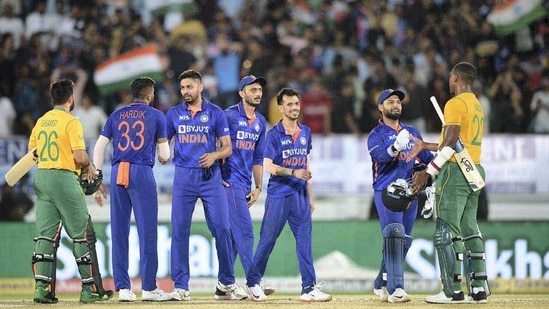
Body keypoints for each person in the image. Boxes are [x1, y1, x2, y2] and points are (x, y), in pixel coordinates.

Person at [166, 69, 247, 301]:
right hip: (183, 178)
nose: (185, 92)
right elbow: (163, 140)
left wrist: (214, 155)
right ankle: (181, 287)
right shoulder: (173, 114)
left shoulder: (215, 113)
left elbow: (227, 148)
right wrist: (162, 153)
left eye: (189, 87)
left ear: (200, 87)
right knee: (180, 231)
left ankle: (226, 283)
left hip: (211, 177)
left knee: (223, 228)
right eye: (182, 88)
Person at [244, 87, 332, 303]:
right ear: (281, 108)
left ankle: (308, 288)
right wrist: (293, 172)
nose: (294, 107)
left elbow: (306, 164)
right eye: (289, 104)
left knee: (305, 242)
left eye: (296, 103)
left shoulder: (306, 132)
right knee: (268, 240)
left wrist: (310, 195)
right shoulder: (273, 134)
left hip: (300, 195)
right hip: (279, 195)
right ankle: (253, 283)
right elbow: (267, 165)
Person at [411, 62, 488, 304]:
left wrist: (428, 171)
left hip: (455, 172)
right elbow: (457, 143)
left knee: (446, 230)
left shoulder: (454, 103)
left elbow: (452, 141)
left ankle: (451, 291)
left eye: (449, 78)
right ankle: (478, 289)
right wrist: (426, 146)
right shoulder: (476, 105)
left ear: (454, 78)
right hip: (474, 170)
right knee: (469, 228)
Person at [28, 78, 111, 303]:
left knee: (45, 235)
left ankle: (42, 289)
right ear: (71, 98)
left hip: (42, 177)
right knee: (81, 235)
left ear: (53, 98)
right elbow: (79, 156)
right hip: (64, 177)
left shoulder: (41, 121)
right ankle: (89, 290)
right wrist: (89, 166)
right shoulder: (71, 121)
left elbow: (32, 153)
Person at [92, 77, 172, 302]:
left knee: (119, 231)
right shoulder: (157, 115)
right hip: (141, 172)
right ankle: (148, 287)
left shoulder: (116, 115)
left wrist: (98, 178)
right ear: (150, 95)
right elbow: (165, 154)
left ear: (132, 94)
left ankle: (124, 289)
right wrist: (162, 156)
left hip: (118, 172)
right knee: (147, 231)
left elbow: (99, 147)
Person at [367, 89, 434, 303]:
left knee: (403, 241)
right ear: (380, 107)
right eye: (390, 102)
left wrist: (429, 181)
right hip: (386, 191)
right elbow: (379, 156)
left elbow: (427, 158)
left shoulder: (412, 131)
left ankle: (381, 283)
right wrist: (395, 147)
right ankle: (396, 289)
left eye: (398, 102)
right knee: (394, 235)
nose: (395, 105)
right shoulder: (375, 135)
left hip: (409, 192)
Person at [219, 75, 276, 299]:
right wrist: (216, 178)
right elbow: (216, 146)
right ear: (242, 93)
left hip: (245, 184)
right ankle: (254, 283)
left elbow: (258, 157)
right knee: (245, 232)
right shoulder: (229, 116)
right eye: (252, 90)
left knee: (234, 237)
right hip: (228, 180)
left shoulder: (261, 121)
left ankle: (223, 285)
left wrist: (258, 187)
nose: (258, 93)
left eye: (259, 89)